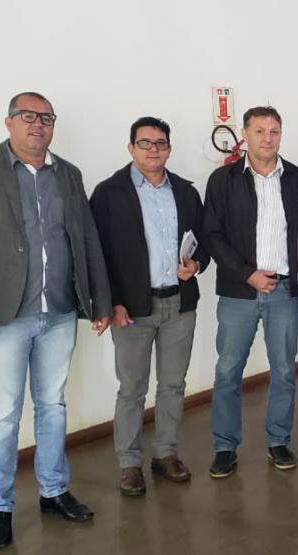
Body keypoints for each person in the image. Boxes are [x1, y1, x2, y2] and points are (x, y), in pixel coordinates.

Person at [0, 92, 112, 549]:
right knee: (3, 416)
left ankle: (53, 490)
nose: (38, 124)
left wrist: (100, 301)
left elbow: (87, 239)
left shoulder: (68, 174)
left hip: (60, 312)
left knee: (53, 405)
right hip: (4, 317)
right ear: (9, 122)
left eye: (46, 118)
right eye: (28, 116)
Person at [90, 116, 210, 496]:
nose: (153, 149)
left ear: (169, 149)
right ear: (131, 148)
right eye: (145, 143)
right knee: (132, 389)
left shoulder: (186, 193)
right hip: (131, 310)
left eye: (160, 143)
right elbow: (97, 254)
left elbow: (205, 240)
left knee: (173, 385)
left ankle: (165, 454)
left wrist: (197, 264)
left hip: (179, 304)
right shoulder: (109, 194)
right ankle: (129, 464)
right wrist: (112, 303)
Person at [203, 106, 298, 478]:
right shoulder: (223, 180)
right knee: (228, 371)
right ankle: (224, 446)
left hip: (284, 292)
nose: (267, 138)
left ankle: (278, 440)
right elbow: (212, 234)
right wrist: (247, 274)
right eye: (259, 131)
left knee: (284, 371)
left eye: (274, 131)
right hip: (238, 292)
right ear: (245, 135)